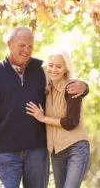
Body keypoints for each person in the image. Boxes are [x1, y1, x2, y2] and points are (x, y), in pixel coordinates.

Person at [0, 26, 88, 188]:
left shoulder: (42, 70)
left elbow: (63, 78)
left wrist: (84, 86)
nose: (27, 51)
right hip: (6, 150)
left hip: (37, 150)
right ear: (10, 44)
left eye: (30, 46)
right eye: (22, 46)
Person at [25, 51, 90, 188]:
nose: (53, 70)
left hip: (76, 148)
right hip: (56, 151)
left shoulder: (72, 88)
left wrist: (43, 118)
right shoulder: (46, 90)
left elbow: (71, 122)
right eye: (51, 65)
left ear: (65, 69)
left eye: (59, 67)